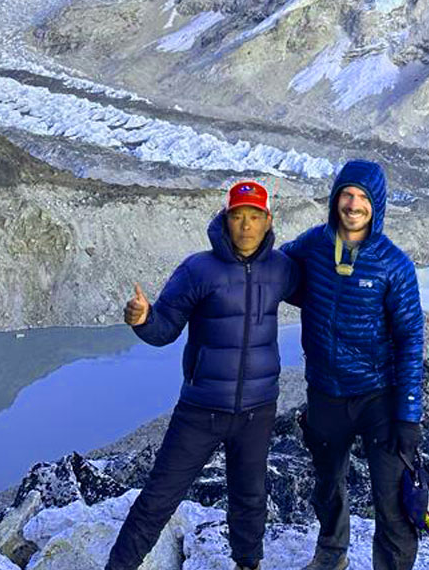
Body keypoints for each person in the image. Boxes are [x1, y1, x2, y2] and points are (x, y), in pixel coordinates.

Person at [104, 180, 298, 570]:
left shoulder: (282, 269)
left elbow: (323, 293)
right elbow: (165, 328)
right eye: (238, 216)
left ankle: (248, 564)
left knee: (250, 497)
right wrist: (143, 319)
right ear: (225, 221)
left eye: (254, 216)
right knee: (158, 498)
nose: (246, 225)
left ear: (268, 221)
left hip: (258, 410)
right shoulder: (198, 269)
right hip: (201, 410)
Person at [282, 159, 424, 570]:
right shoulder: (313, 245)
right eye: (347, 194)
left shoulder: (394, 264)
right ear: (335, 198)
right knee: (326, 486)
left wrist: (408, 414)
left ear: (376, 205)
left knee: (393, 498)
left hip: (378, 396)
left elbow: (411, 338)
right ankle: (331, 555)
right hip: (325, 392)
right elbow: (278, 273)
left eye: (363, 197)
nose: (353, 204)